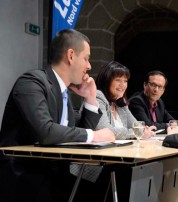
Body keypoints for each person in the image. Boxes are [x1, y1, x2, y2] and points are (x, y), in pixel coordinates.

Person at [0, 29, 115, 202]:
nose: (89, 66)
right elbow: (46, 131)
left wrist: (90, 99)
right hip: (25, 177)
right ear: (70, 55)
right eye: (86, 58)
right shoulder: (31, 82)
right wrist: (94, 135)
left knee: (102, 189)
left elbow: (75, 131)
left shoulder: (63, 92)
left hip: (54, 175)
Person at [95, 61, 156, 139]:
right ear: (106, 80)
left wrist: (145, 131)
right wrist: (136, 133)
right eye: (118, 80)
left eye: (125, 81)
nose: (122, 85)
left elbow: (136, 126)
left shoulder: (121, 103)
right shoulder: (98, 97)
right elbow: (105, 131)